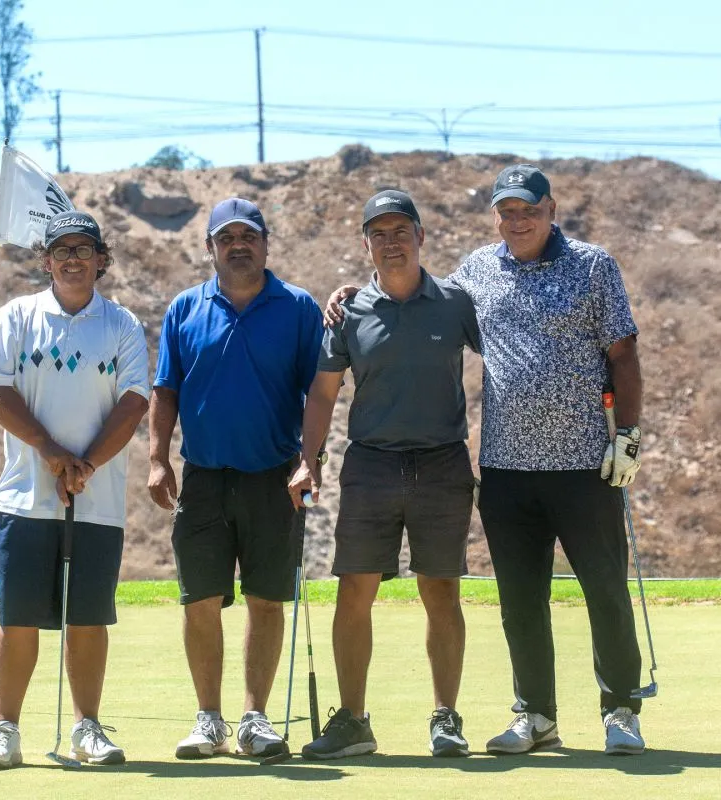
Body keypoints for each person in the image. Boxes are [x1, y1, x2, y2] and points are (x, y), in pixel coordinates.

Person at [326, 165, 647, 756]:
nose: (516, 220)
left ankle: (621, 706)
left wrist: (627, 435)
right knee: (520, 598)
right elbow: (414, 301)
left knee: (604, 588)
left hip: (586, 463)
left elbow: (622, 354)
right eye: (506, 211)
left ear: (551, 208)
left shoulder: (593, 265)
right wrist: (351, 291)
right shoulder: (477, 271)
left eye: (527, 209)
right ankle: (536, 714)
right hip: (505, 466)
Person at [290, 190, 481, 760]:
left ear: (421, 236)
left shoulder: (456, 303)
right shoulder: (348, 311)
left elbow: (508, 350)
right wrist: (309, 457)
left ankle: (445, 716)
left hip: (443, 463)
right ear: (366, 244)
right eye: (378, 233)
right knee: (355, 589)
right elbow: (324, 393)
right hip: (371, 465)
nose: (391, 242)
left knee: (440, 590)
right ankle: (353, 721)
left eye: (401, 230)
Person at [0, 210, 151, 769]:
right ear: (46, 261)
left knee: (88, 618)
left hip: (95, 500)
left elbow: (134, 402)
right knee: (18, 617)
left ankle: (87, 727)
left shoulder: (122, 324)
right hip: (27, 494)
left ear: (102, 259)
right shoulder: (17, 316)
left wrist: (89, 464)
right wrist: (51, 452)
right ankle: (5, 729)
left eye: (84, 248)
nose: (73, 258)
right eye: (62, 250)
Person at [148, 197, 323, 760]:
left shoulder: (297, 308)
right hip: (202, 477)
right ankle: (208, 720)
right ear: (210, 249)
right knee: (200, 600)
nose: (238, 246)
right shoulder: (183, 309)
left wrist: (310, 458)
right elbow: (165, 390)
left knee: (267, 600)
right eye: (227, 239)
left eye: (248, 236)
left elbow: (318, 392)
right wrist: (157, 458)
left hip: (274, 476)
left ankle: (254, 718)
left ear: (266, 244)